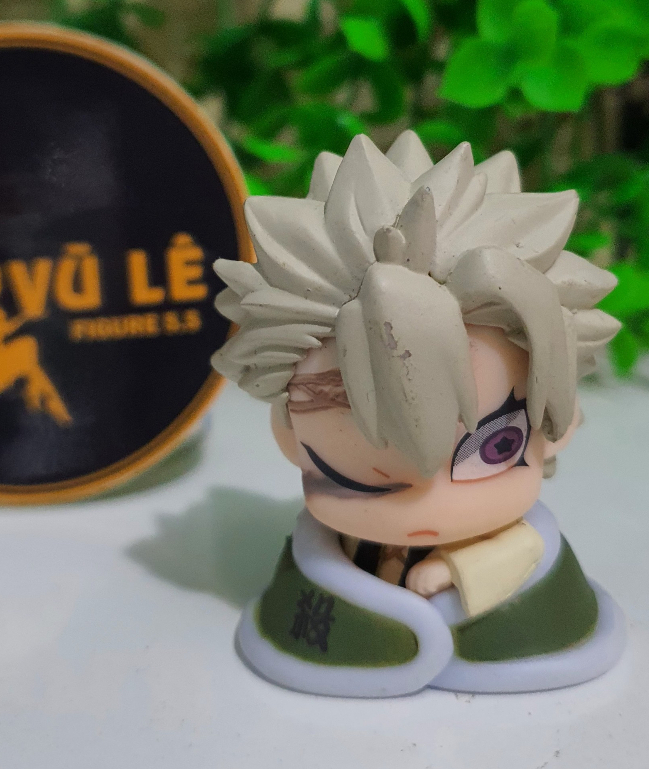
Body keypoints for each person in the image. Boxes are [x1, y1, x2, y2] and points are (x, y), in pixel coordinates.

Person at [211, 131, 626, 697]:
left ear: (561, 425)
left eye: (497, 448)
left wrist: (455, 571)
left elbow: (522, 554)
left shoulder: (548, 589)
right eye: (359, 475)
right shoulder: (314, 571)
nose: (428, 506)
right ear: (289, 436)